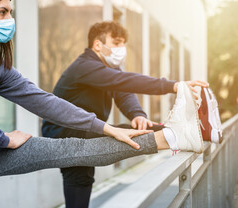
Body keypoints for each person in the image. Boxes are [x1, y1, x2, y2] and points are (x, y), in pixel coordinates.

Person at [0, 0, 206, 208]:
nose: (10, 20)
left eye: (11, 12)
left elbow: (43, 101)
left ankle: (170, 138)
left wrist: (103, 126)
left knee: (71, 150)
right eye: (2, 12)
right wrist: (5, 139)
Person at [41, 21, 209, 208]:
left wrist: (137, 114)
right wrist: (173, 85)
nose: (122, 49)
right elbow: (125, 81)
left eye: (123, 44)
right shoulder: (85, 66)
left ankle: (185, 133)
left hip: (85, 129)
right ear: (98, 45)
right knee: (127, 136)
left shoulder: (107, 69)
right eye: (117, 43)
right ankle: (181, 134)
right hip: (66, 134)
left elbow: (123, 92)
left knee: (81, 178)